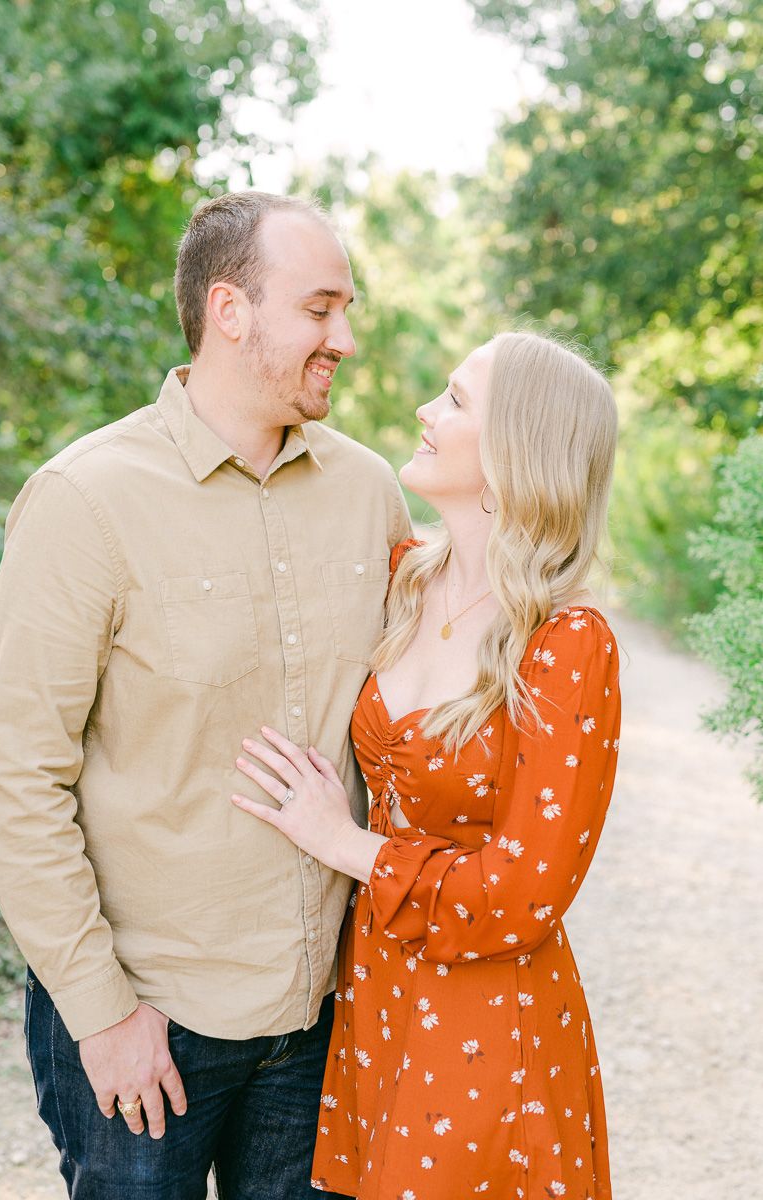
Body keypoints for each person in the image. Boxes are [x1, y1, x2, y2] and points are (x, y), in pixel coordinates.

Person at [0, 191, 411, 1200]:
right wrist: (101, 1012)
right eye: (320, 308)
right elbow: (17, 778)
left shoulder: (371, 493)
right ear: (230, 310)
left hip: (320, 1023)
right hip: (149, 1024)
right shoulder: (86, 500)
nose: (344, 337)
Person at [231, 329, 621, 1200]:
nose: (423, 411)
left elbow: (524, 895)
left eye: (452, 400)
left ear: (516, 450)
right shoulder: (404, 577)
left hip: (489, 1016)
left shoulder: (565, 642)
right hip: (378, 994)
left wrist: (346, 844)